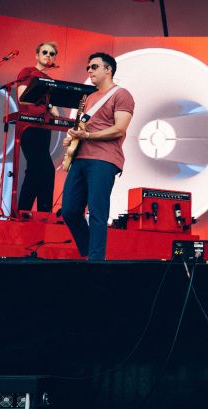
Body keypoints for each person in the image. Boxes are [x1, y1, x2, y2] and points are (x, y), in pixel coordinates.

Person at [62, 53, 135, 261]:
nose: (90, 71)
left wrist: (88, 135)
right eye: (88, 68)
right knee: (69, 210)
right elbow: (82, 128)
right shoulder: (88, 98)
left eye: (94, 67)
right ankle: (88, 251)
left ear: (108, 69)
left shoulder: (122, 94)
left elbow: (120, 129)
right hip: (81, 158)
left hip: (104, 159)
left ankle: (96, 261)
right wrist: (73, 139)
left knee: (97, 211)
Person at [15, 41, 59, 213]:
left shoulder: (50, 80)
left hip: (44, 128)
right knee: (45, 169)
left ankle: (26, 212)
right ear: (37, 55)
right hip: (29, 126)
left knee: (36, 170)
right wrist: (47, 104)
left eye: (52, 54)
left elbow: (53, 109)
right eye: (45, 52)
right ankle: (41, 212)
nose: (48, 55)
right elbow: (23, 98)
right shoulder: (28, 72)